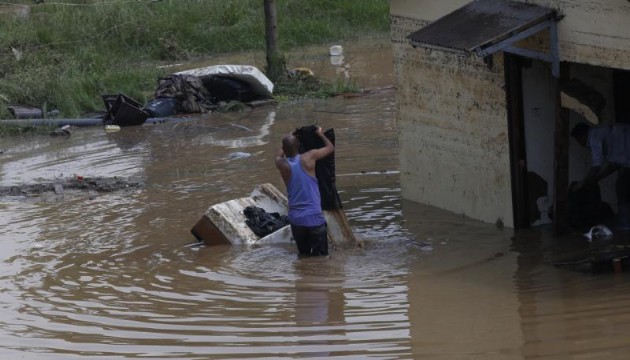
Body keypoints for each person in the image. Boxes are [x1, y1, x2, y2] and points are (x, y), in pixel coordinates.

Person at [275, 127, 335, 256]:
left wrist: (289, 136)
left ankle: (303, 275)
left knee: (304, 256)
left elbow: (279, 154)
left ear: (284, 149)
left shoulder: (281, 163)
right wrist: (320, 134)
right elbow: (330, 148)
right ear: (299, 145)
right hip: (314, 218)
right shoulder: (309, 157)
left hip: (296, 221)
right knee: (321, 260)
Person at [571, 122, 630, 229]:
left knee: (622, 187)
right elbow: (614, 165)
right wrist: (596, 179)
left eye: (579, 140)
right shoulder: (604, 135)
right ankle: (625, 223)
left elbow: (596, 166)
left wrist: (582, 183)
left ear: (583, 135)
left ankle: (625, 224)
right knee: (622, 186)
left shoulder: (594, 137)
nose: (581, 144)